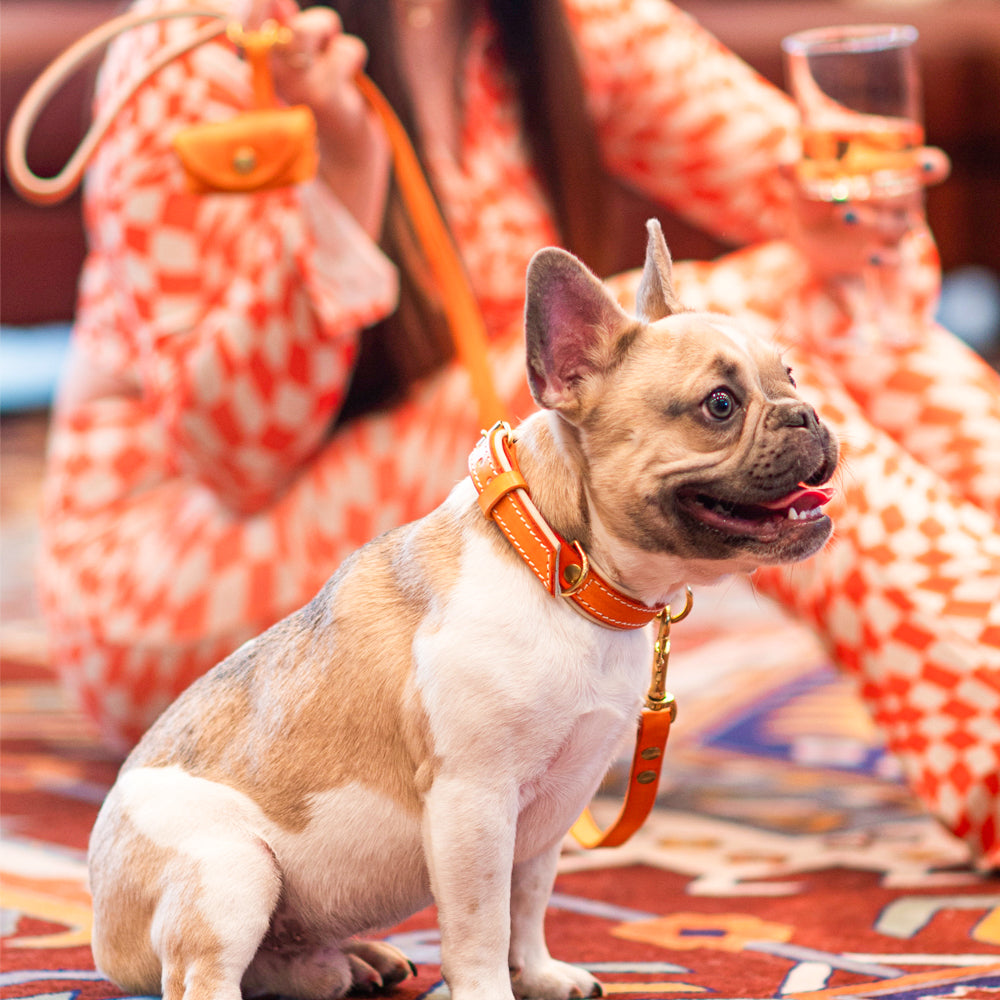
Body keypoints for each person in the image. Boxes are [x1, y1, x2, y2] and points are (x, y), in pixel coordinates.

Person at [38, 0, 1000, 868]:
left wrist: (853, 226)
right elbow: (233, 454)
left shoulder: (564, 19)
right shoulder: (200, 42)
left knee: (780, 318)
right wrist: (341, 185)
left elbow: (851, 247)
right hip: (192, 573)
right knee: (709, 334)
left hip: (472, 510)